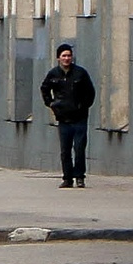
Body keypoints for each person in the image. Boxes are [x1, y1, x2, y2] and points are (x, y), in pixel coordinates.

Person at [40, 42, 94, 187]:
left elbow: (90, 92)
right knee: (65, 150)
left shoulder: (80, 73)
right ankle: (67, 178)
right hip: (63, 118)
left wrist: (83, 106)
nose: (67, 58)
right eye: (64, 56)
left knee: (79, 148)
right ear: (58, 58)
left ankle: (80, 177)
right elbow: (44, 88)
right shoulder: (53, 74)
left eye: (69, 55)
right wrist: (50, 103)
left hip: (80, 118)